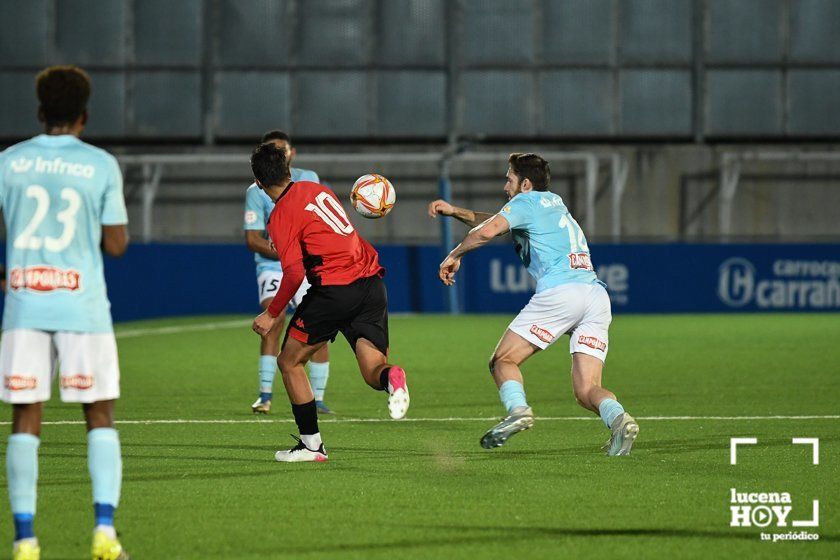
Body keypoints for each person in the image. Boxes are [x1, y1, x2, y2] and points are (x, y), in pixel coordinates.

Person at [0, 66, 130, 560]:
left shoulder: (8, 162)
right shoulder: (100, 164)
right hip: (83, 308)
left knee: (24, 417)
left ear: (39, 112)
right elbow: (116, 244)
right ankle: (103, 533)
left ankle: (25, 540)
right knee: (99, 415)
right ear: (84, 116)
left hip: (23, 306)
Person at [430, 153, 638, 456]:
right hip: (595, 296)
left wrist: (455, 254)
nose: (505, 186)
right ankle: (620, 420)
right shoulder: (552, 203)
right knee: (586, 390)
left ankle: (518, 411)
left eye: (509, 178)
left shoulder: (525, 203)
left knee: (502, 361)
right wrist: (454, 211)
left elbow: (489, 230)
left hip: (562, 294)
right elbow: (498, 221)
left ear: (525, 183)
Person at [250, 143, 409, 462]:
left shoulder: (279, 215)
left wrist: (272, 313)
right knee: (371, 370)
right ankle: (392, 378)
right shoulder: (314, 187)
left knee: (289, 361)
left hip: (334, 290)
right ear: (289, 170)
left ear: (259, 183)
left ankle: (312, 446)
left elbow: (294, 273)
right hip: (371, 284)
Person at [243, 130, 332, 415]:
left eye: (282, 149)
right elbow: (253, 239)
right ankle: (265, 396)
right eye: (272, 150)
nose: (279, 154)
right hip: (271, 266)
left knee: (315, 326)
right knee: (274, 317)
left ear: (292, 153)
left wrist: (296, 251)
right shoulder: (254, 191)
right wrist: (287, 251)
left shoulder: (310, 179)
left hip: (306, 266)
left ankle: (317, 399)